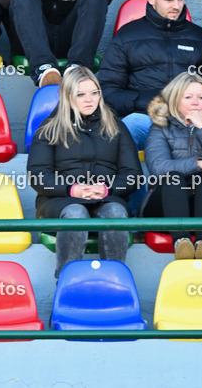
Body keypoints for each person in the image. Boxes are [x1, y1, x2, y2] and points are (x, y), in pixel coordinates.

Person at [26, 65, 140, 278]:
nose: (90, 99)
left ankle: (114, 283)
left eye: (94, 93)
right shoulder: (49, 128)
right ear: (68, 96)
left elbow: (132, 174)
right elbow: (38, 176)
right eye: (81, 94)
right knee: (76, 214)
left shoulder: (115, 126)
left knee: (116, 214)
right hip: (59, 199)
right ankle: (66, 284)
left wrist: (108, 189)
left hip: (106, 197)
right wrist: (72, 190)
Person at [98, 0, 202, 152]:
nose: (176, 6)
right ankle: (129, 181)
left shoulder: (200, 37)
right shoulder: (127, 36)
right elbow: (108, 91)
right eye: (169, 0)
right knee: (122, 132)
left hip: (190, 119)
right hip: (144, 117)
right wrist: (148, 101)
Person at [141, 72, 202, 260]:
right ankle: (182, 243)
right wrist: (199, 163)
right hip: (167, 205)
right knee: (173, 177)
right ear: (175, 100)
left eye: (200, 97)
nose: (196, 102)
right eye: (188, 97)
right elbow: (158, 167)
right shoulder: (161, 126)